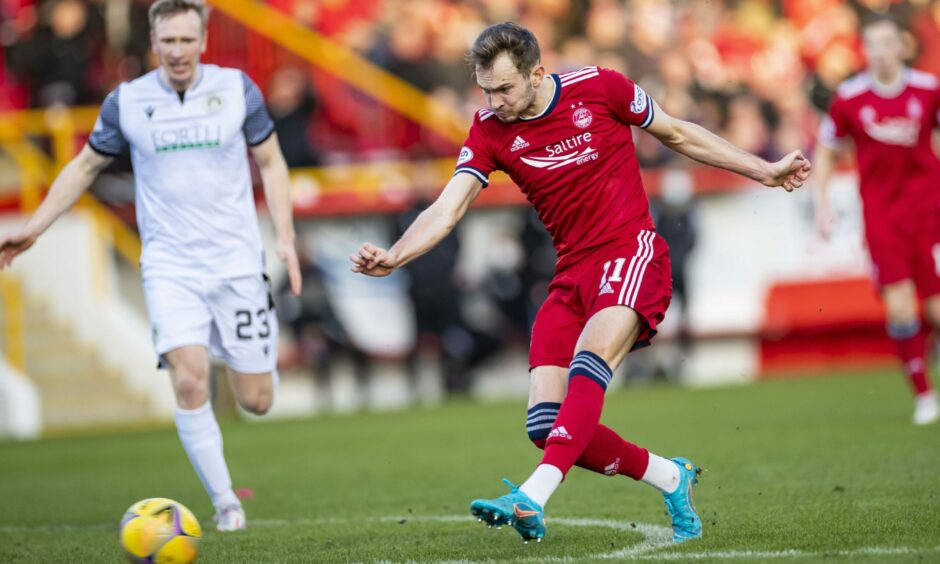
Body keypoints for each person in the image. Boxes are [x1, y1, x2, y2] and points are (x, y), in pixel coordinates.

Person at [351, 22, 810, 544]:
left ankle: (533, 496)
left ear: (536, 73)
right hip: (570, 274)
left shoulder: (600, 87)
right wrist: (395, 255)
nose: (494, 101)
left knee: (590, 361)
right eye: (485, 90)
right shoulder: (489, 130)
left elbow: (678, 133)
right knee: (545, 427)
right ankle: (670, 475)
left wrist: (764, 170)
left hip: (630, 252)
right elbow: (449, 206)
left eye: (504, 88)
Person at [0, 0, 301, 531]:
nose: (178, 51)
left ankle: (243, 369)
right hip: (169, 265)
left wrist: (285, 235)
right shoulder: (128, 102)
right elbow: (84, 165)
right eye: (169, 41)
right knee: (189, 382)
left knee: (256, 399)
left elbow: (272, 161)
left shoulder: (237, 90)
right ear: (153, 42)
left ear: (203, 40)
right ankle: (226, 502)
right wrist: (35, 227)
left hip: (235, 262)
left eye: (188, 40)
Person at [813, 15, 940, 426]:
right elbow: (827, 148)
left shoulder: (929, 89)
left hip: (930, 210)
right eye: (873, 45)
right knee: (901, 308)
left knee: (936, 307)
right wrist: (823, 202)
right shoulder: (849, 98)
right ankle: (923, 394)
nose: (882, 52)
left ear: (901, 46)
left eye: (888, 43)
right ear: (864, 51)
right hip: (882, 217)